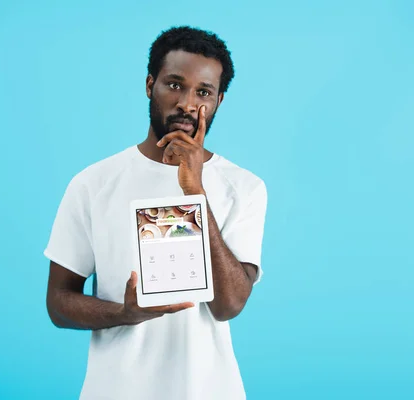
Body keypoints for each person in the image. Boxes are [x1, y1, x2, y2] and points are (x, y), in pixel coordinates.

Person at [44, 26, 267, 400]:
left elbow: (229, 305)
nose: (186, 103)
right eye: (175, 85)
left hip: (208, 390)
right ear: (151, 85)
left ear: (218, 101)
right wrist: (124, 314)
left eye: (203, 92)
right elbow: (58, 303)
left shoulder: (244, 187)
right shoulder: (92, 183)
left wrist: (195, 191)